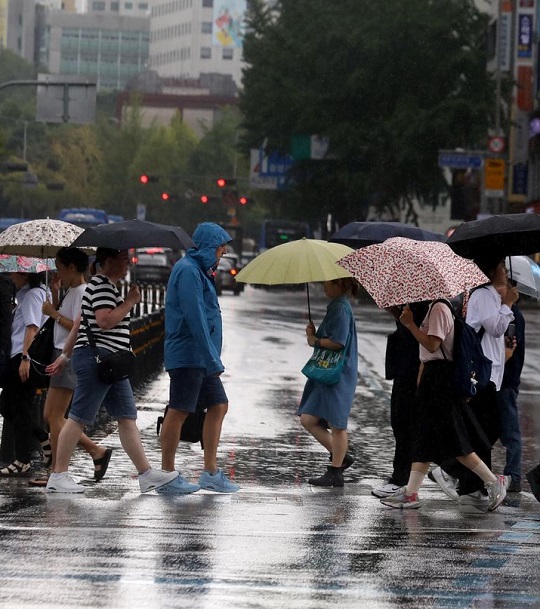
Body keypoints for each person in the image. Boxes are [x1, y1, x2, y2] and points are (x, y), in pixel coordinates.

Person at [45, 248, 180, 494]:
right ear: (108, 262)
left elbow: (79, 324)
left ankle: (146, 474)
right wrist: (129, 302)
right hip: (99, 360)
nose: (128, 264)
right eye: (124, 260)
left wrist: (65, 354)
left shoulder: (102, 286)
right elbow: (104, 321)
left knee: (127, 417)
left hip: (110, 363)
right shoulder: (102, 286)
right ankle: (58, 475)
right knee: (78, 418)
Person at [381, 299, 507, 511]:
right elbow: (427, 354)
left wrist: (410, 325)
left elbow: (432, 344)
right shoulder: (433, 308)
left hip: (440, 381)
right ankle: (411, 493)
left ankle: (494, 483)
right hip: (432, 379)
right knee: (423, 438)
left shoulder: (439, 308)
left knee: (455, 440)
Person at [432, 256, 519, 506]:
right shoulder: (482, 294)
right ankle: (450, 468)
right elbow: (494, 327)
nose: (505, 271)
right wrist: (508, 305)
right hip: (481, 373)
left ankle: (472, 485)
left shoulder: (491, 295)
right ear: (491, 271)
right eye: (502, 267)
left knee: (483, 429)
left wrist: (505, 306)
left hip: (491, 371)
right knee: (486, 430)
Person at [161, 222, 239, 494]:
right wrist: (212, 359)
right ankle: (167, 475)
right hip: (188, 354)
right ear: (208, 246)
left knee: (218, 405)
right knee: (179, 409)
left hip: (201, 357)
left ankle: (210, 472)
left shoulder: (200, 271)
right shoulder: (188, 271)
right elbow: (195, 318)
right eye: (220, 246)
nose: (223, 251)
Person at [29, 248, 112, 487]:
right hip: (59, 353)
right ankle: (95, 451)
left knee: (54, 416)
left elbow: (77, 325)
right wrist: (55, 295)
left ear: (72, 268)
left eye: (60, 267)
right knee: (52, 415)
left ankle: (58, 471)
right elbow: (62, 320)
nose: (58, 273)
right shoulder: (71, 291)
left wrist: (53, 312)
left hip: (69, 356)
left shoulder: (83, 291)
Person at [298, 277, 359, 488]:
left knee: (337, 424)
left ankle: (335, 472)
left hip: (337, 374)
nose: (324, 285)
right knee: (308, 419)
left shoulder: (341, 308)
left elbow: (338, 341)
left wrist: (315, 341)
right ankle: (340, 457)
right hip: (328, 373)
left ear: (339, 285)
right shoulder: (336, 306)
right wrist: (313, 336)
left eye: (327, 282)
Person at [372, 301, 429, 498]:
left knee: (405, 424)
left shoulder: (429, 303)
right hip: (404, 368)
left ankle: (401, 479)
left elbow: (427, 338)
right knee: (401, 423)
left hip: (414, 370)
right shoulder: (414, 299)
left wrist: (408, 322)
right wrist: (397, 313)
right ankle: (402, 477)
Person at [0, 271, 50, 476]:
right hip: (21, 356)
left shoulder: (31, 296)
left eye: (15, 273)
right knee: (14, 407)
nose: (11, 277)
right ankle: (41, 437)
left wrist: (25, 358)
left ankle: (22, 459)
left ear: (26, 275)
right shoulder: (41, 293)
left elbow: (32, 328)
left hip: (21, 357)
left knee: (17, 408)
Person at [496, 302, 525, 493]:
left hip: (505, 382)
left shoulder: (513, 316)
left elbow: (509, 345)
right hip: (497, 379)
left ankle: (513, 476)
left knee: (510, 432)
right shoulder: (502, 312)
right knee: (485, 428)